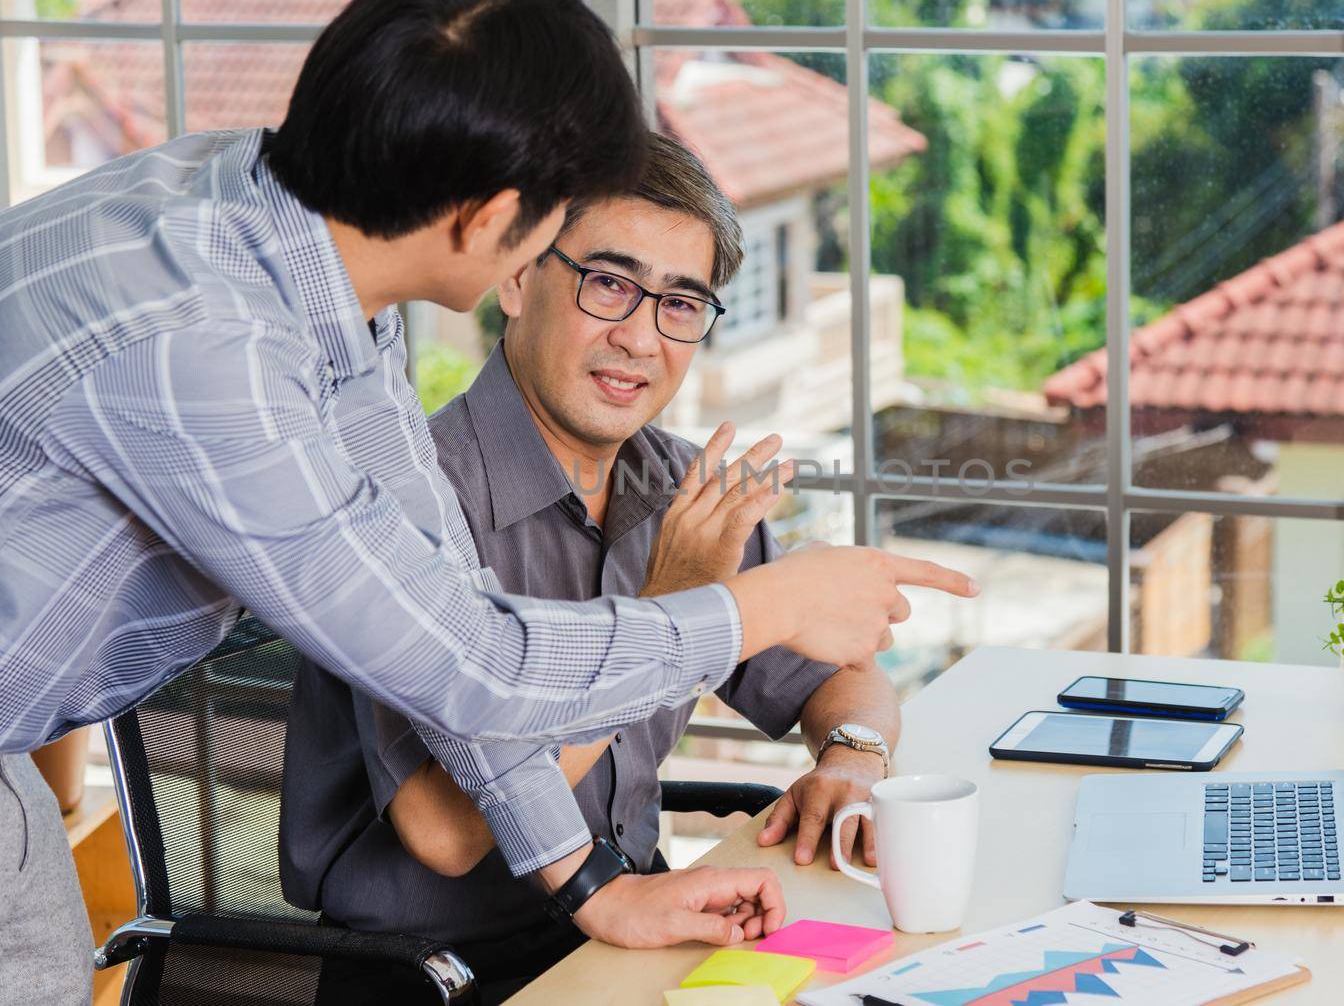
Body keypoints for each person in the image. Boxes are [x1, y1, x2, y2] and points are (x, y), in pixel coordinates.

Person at [0, 0, 976, 1002]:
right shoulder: (207, 355)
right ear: (492, 230)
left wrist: (586, 888)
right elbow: (483, 667)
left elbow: (453, 642)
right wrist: (748, 605)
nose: (634, 326)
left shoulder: (289, 248)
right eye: (570, 235)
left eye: (678, 303)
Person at [282, 134, 902, 1001]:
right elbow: (449, 831)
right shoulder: (409, 501)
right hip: (437, 975)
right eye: (609, 284)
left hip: (640, 931)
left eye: (681, 304)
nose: (641, 338)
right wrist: (675, 609)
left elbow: (846, 677)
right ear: (516, 279)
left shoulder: (679, 485)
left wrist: (851, 761)